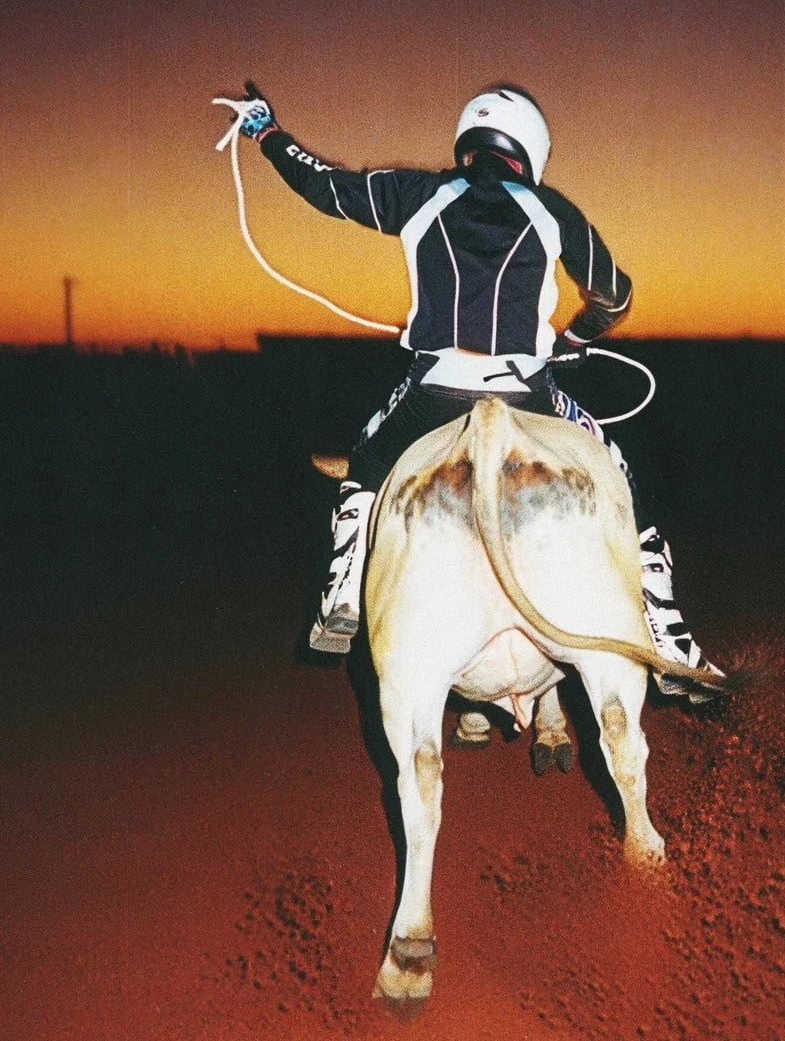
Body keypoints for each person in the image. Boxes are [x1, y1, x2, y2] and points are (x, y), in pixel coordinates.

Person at [230, 82, 720, 694]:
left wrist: (267, 132)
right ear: (530, 147)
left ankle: (342, 592)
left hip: (434, 388)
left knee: (367, 459)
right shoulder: (552, 209)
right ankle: (669, 637)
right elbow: (615, 296)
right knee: (617, 471)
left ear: (469, 140)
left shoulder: (418, 193)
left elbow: (324, 186)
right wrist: (571, 340)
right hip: (529, 390)